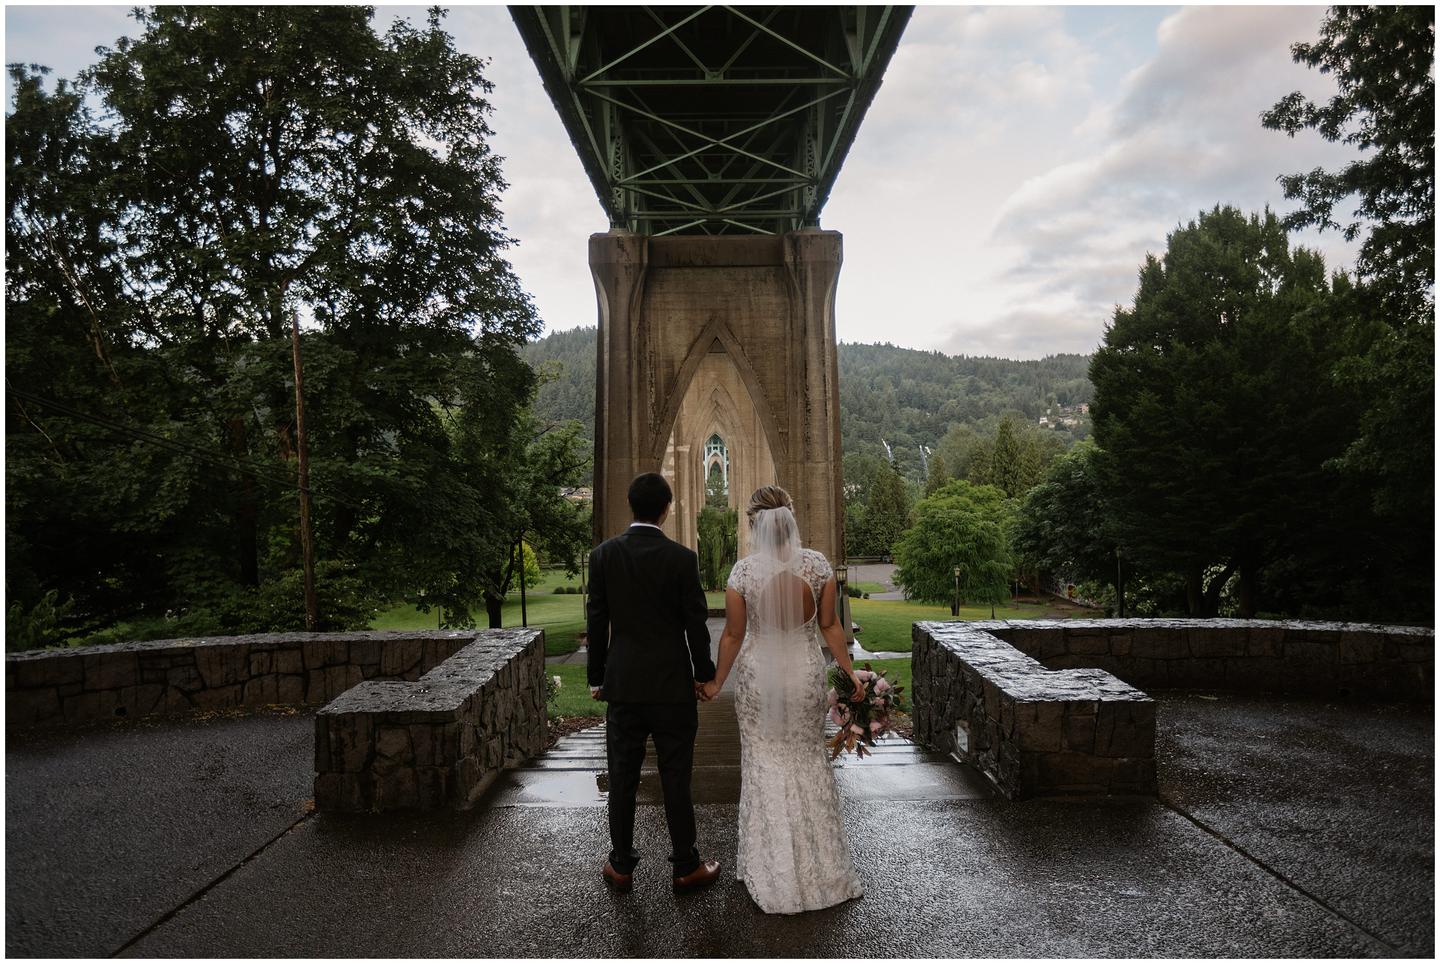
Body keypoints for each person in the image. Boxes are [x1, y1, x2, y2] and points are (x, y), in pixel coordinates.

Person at [699, 484, 866, 914]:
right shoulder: (816, 567)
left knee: (764, 761)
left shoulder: (744, 573)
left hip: (760, 681)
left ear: (754, 524)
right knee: (807, 759)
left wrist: (717, 683)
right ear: (790, 519)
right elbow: (830, 628)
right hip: (805, 675)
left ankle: (770, 867)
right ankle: (823, 870)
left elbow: (734, 635)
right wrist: (849, 674)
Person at [586, 471, 721, 894]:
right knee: (675, 777)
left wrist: (596, 678)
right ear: (666, 509)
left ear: (633, 506)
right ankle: (685, 865)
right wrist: (705, 676)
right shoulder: (683, 559)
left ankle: (621, 865)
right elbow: (695, 626)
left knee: (622, 777)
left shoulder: (603, 555)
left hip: (623, 685)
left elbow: (597, 621)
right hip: (670, 687)